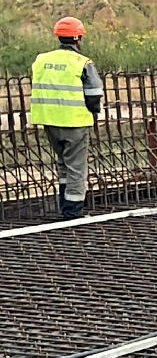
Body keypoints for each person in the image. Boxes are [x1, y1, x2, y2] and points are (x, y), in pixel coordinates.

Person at [28, 16, 105, 220]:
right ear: (78, 38)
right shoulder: (82, 62)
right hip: (74, 122)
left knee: (63, 163)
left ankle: (64, 204)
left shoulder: (42, 59)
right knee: (76, 167)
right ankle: (73, 212)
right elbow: (95, 92)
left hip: (49, 120)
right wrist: (94, 111)